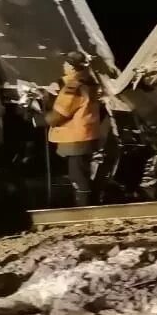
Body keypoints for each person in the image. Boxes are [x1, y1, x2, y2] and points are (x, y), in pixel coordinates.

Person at [45, 51, 104, 206]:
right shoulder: (90, 82)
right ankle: (91, 203)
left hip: (75, 138)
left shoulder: (73, 88)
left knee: (77, 176)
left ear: (72, 67)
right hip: (88, 135)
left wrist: (38, 116)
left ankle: (83, 209)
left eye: (66, 63)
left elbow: (59, 114)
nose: (63, 65)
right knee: (84, 173)